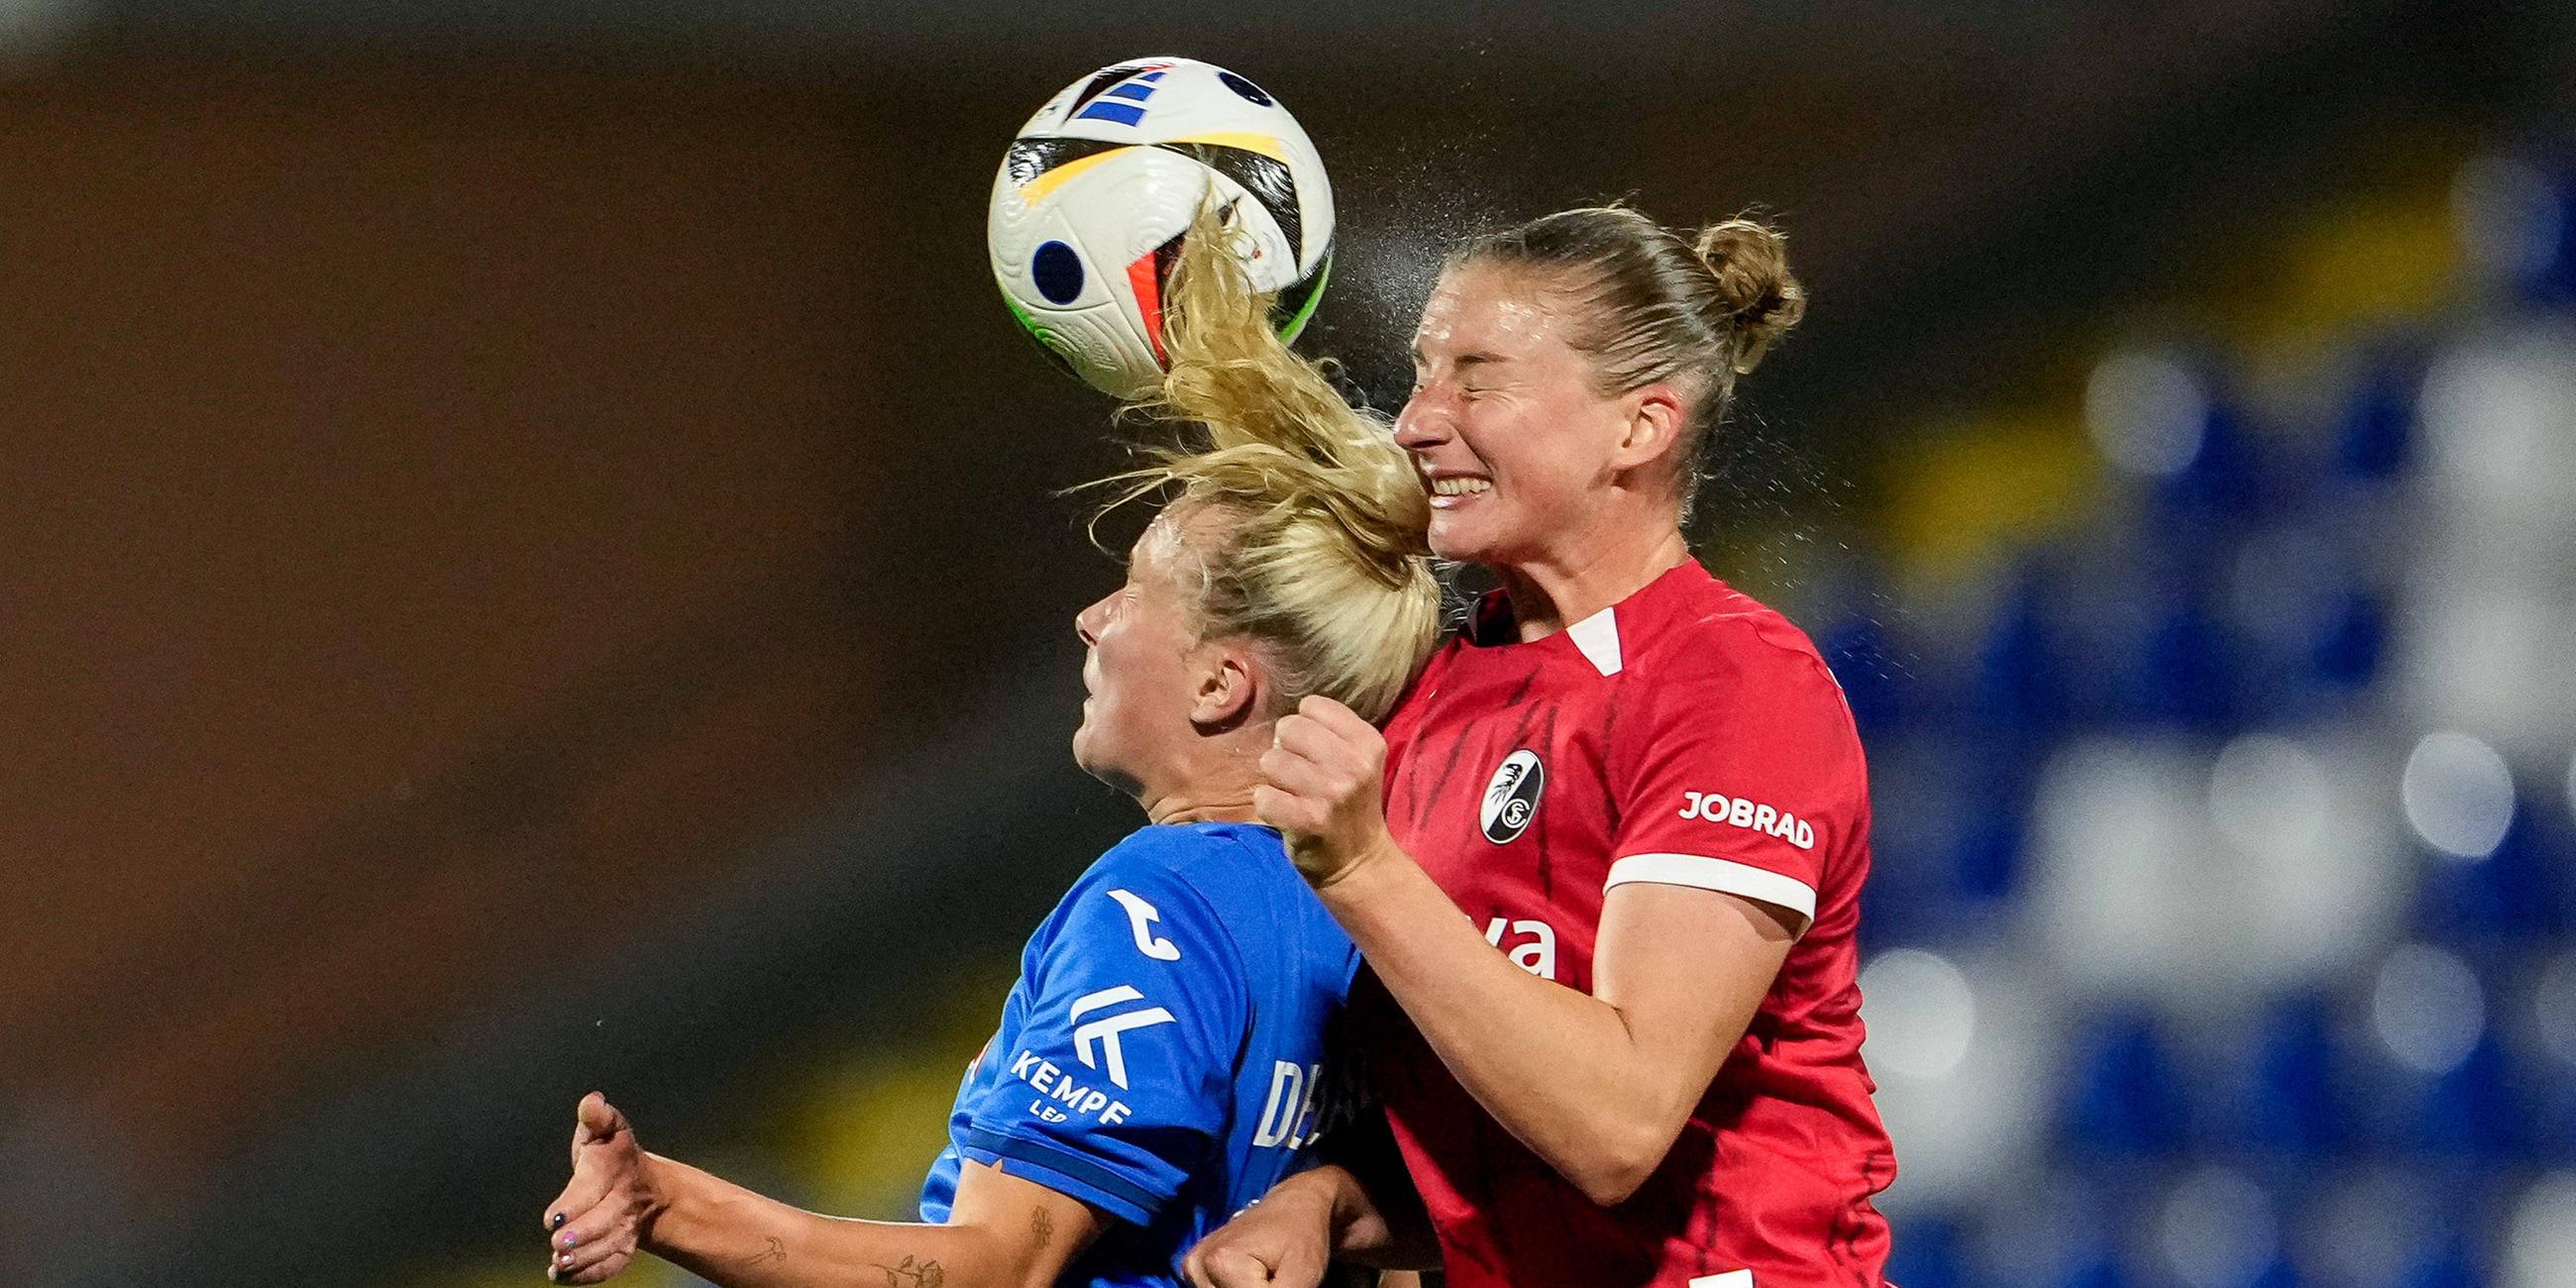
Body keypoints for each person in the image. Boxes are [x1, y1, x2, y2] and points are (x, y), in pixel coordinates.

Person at [536, 214, 1443, 1288]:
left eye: (1137, 593)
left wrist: (673, 1202)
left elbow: (1000, 1269)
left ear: (1219, 681)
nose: (1091, 619)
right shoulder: (1374, 911)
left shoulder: (1159, 903)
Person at [1185, 207, 1897, 1288]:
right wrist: (1324, 1202)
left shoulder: (1730, 683)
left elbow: (1615, 1125)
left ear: (1639, 427)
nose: (1416, 424)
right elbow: (1493, 1137)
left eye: (1476, 381)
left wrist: (1367, 870)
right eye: (1422, 376)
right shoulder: (1434, 692)